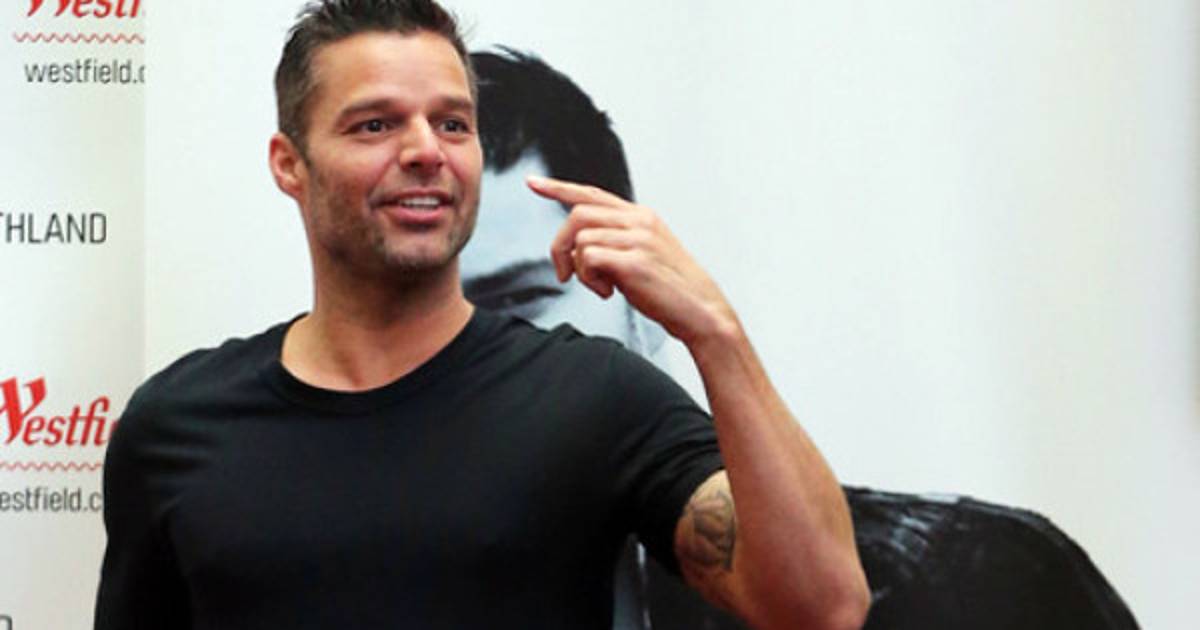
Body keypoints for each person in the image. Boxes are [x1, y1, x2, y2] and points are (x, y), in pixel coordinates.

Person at [94, 1, 869, 629]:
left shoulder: (592, 397)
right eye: (376, 124)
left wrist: (717, 335)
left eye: (453, 123)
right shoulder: (177, 423)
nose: (426, 150)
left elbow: (820, 606)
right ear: (288, 164)